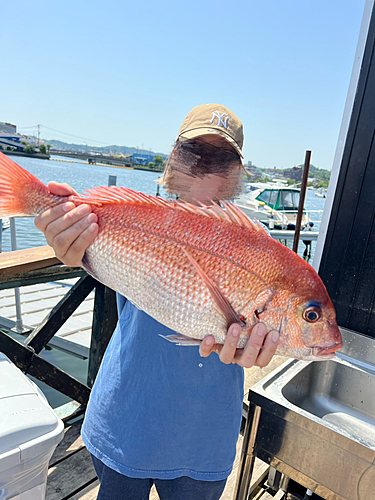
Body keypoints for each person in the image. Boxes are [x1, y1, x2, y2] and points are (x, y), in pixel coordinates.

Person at [35, 103, 279, 500]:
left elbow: (273, 330)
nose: (206, 166)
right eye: (195, 153)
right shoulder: (136, 214)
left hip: (204, 435)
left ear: (237, 170)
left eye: (221, 157)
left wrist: (265, 347)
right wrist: (69, 242)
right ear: (175, 160)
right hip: (125, 417)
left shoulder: (259, 243)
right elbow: (92, 252)